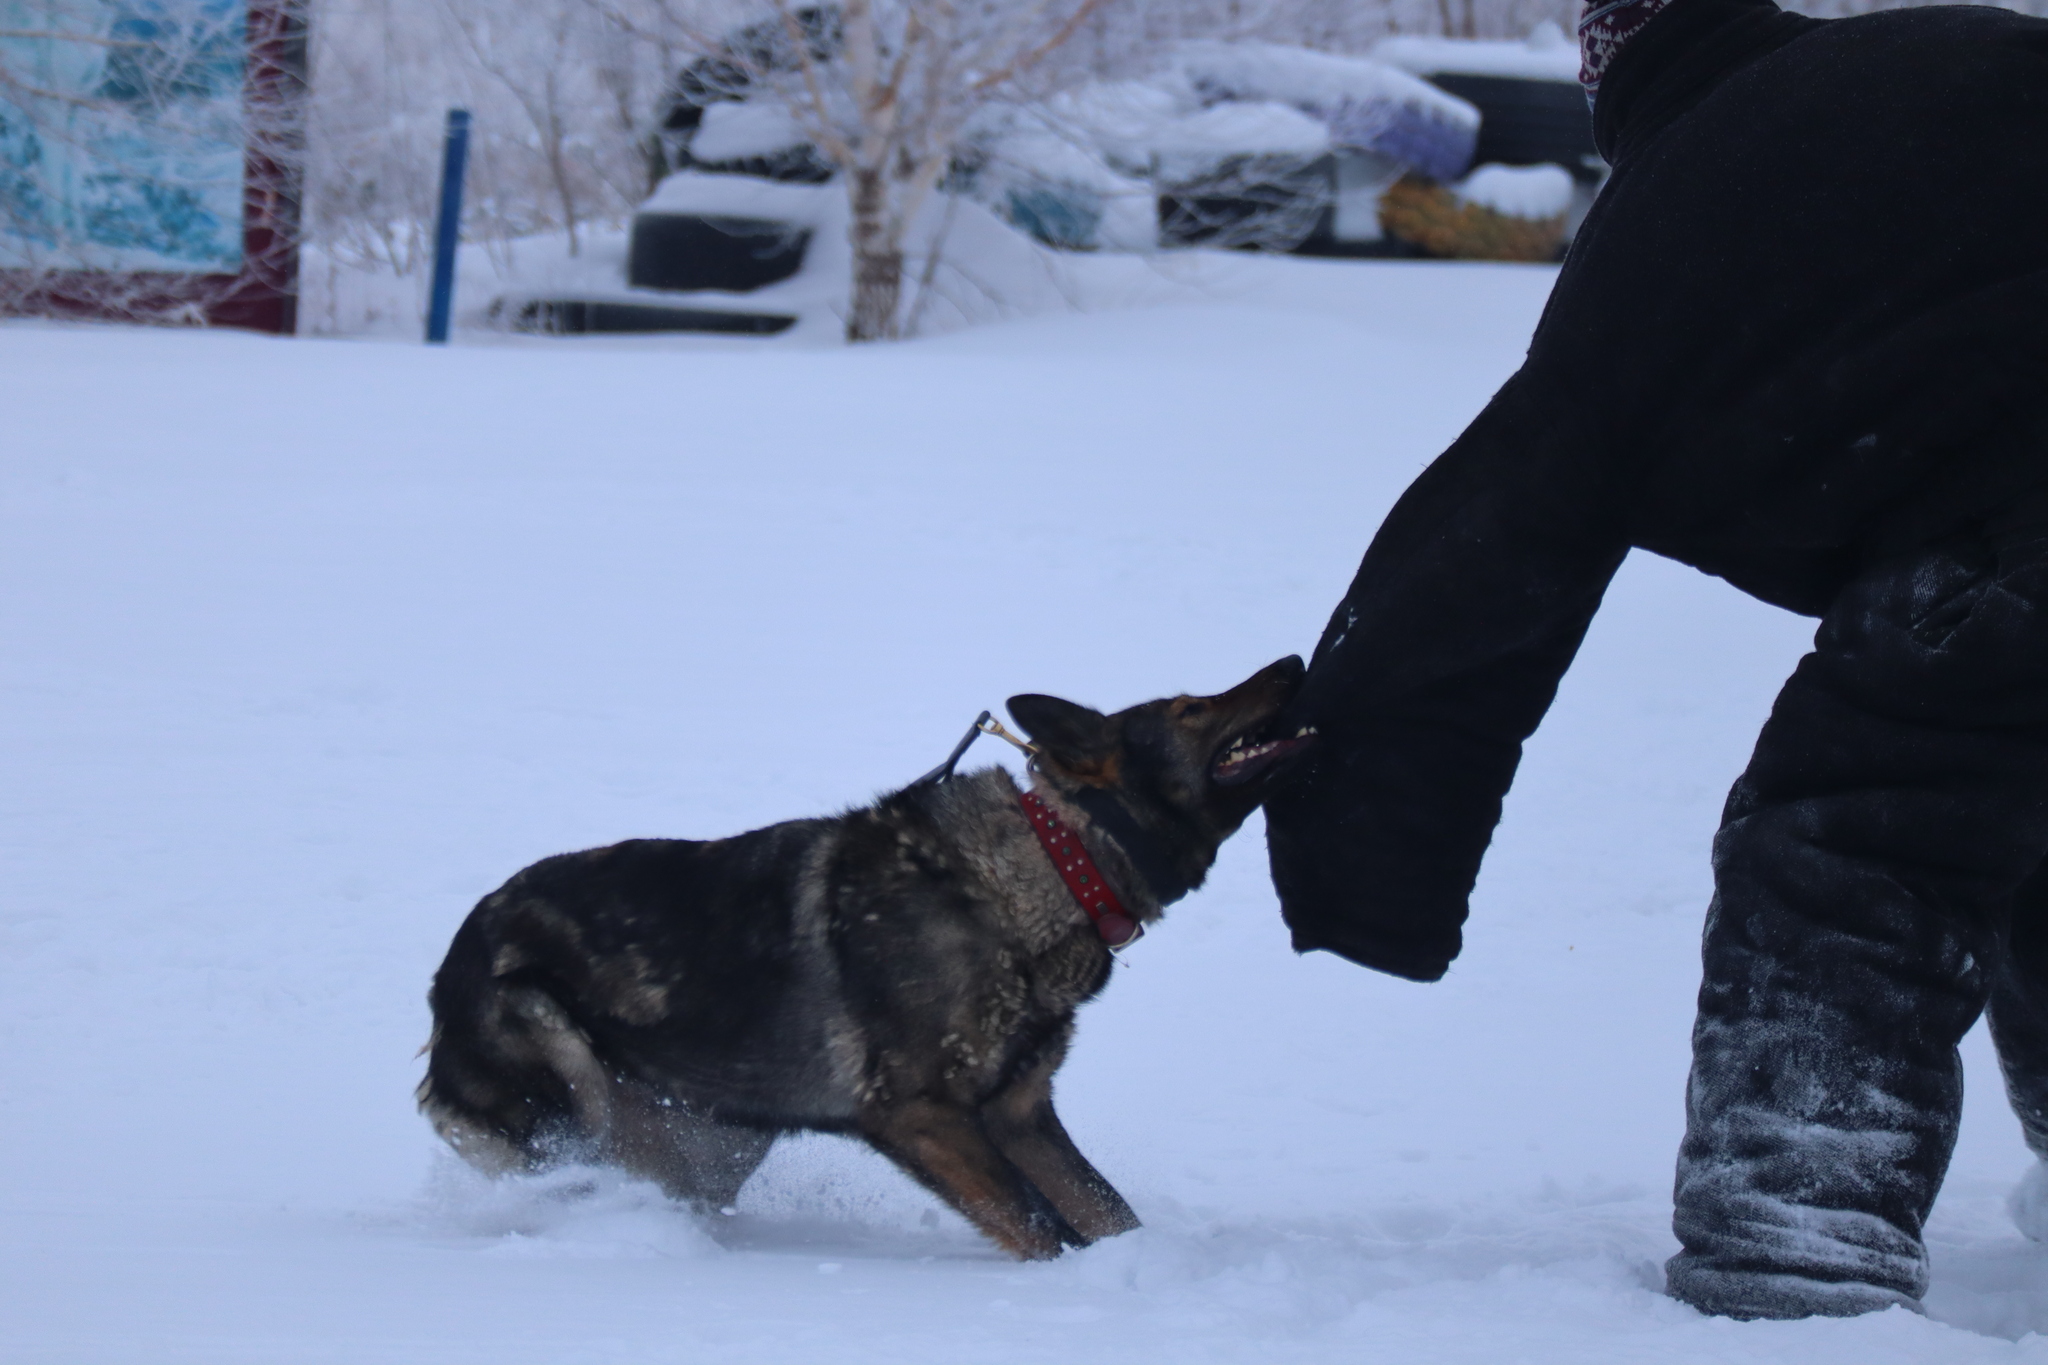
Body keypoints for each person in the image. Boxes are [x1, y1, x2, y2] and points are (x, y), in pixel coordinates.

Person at [1264, 0, 2048, 1321]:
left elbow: (1477, 559)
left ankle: (1798, 1257)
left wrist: (1365, 872)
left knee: (1868, 844)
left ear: (1606, 75)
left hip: (2009, 540)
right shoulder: (1956, 47)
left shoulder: (1682, 211)